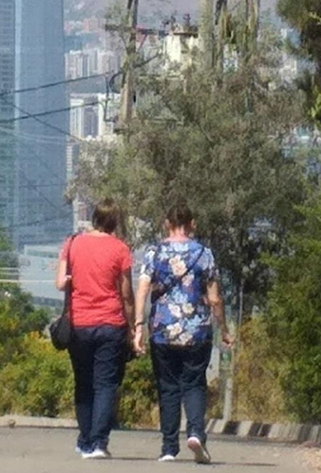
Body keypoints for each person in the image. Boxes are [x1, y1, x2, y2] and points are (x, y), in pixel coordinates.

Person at [133, 203, 234, 464]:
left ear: (167, 223)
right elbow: (214, 298)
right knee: (194, 383)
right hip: (197, 330)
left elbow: (142, 290)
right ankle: (197, 433)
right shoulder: (204, 254)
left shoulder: (154, 252)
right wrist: (223, 329)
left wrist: (138, 327)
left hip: (163, 330)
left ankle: (168, 448)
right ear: (192, 224)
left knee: (167, 387)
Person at [55, 198, 135, 460]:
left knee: (83, 383)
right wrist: (133, 327)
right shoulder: (121, 249)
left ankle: (86, 440)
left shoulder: (73, 243)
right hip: (111, 323)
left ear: (93, 218)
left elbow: (60, 282)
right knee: (105, 384)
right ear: (115, 222)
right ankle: (99, 442)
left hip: (80, 323)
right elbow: (126, 294)